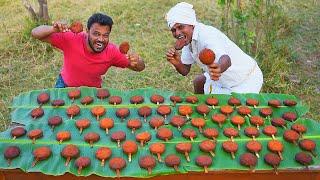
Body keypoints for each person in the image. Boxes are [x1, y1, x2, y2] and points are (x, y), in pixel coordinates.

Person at [165, 2, 263, 94]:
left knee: (230, 110)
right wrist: (176, 63)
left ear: (191, 24)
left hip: (245, 79)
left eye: (180, 27)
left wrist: (219, 68)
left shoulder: (206, 35)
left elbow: (226, 59)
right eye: (173, 30)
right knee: (199, 82)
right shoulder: (187, 40)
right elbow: (185, 71)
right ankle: (200, 107)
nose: (177, 33)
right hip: (222, 79)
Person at [31, 13, 145, 88]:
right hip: (65, 85)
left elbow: (140, 68)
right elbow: (35, 33)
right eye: (96, 34)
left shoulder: (112, 51)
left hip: (93, 93)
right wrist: (53, 29)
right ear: (87, 31)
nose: (101, 39)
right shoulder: (71, 38)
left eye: (105, 35)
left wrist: (137, 60)